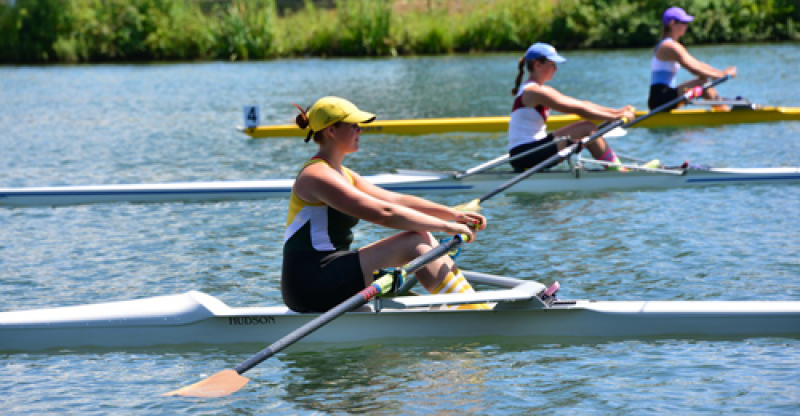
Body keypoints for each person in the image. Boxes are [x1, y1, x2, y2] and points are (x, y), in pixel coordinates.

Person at [282, 96, 489, 313]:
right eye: (353, 126)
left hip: (329, 273)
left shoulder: (342, 173)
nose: (359, 131)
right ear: (331, 131)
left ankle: (468, 304)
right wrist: (447, 227)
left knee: (421, 236)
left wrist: (453, 215)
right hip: (309, 284)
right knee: (413, 242)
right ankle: (474, 312)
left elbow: (395, 200)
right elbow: (384, 213)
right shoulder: (316, 175)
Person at [508, 42, 647, 173]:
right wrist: (614, 117)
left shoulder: (540, 89)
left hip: (531, 150)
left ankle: (615, 169)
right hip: (524, 154)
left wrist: (618, 111)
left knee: (586, 130)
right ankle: (618, 172)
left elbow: (582, 104)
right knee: (586, 128)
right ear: (537, 64)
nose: (555, 69)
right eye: (552, 64)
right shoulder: (533, 91)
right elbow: (578, 110)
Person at [648, 6, 737, 111]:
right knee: (702, 84)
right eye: (684, 23)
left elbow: (698, 64)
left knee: (702, 82)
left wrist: (720, 73)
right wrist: (722, 75)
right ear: (672, 23)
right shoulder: (669, 46)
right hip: (660, 100)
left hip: (665, 97)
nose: (686, 26)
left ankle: (722, 110)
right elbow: (694, 69)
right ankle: (724, 113)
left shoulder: (671, 44)